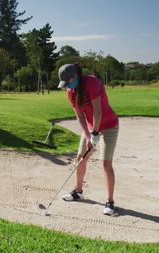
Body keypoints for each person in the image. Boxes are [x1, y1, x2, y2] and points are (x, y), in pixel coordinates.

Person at [58, 63, 119, 215]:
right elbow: (80, 116)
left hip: (109, 125)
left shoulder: (92, 83)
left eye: (69, 82)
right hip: (92, 128)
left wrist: (96, 135)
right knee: (80, 157)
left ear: (75, 76)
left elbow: (97, 112)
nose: (68, 86)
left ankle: (110, 202)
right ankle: (78, 192)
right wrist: (87, 135)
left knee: (105, 163)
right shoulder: (70, 92)